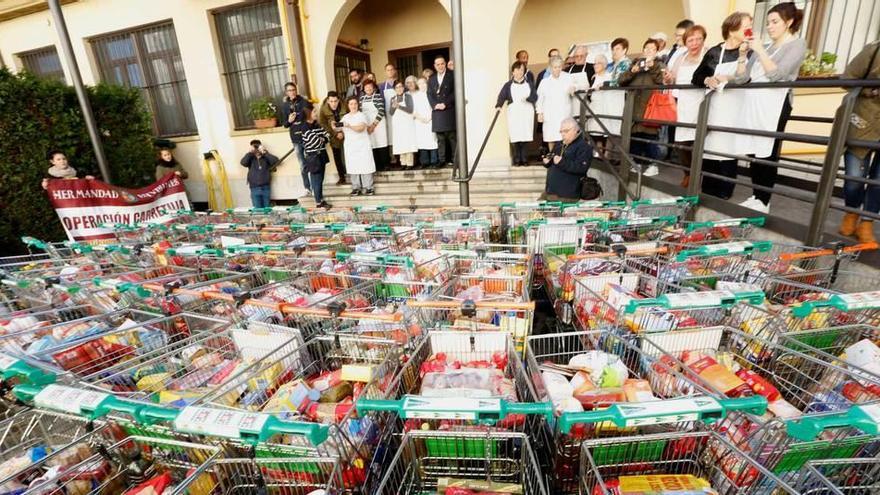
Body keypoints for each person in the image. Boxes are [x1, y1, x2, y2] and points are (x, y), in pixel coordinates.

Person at [734, 2, 807, 214]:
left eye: (775, 22)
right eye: (768, 23)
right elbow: (742, 78)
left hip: (776, 104)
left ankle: (764, 199)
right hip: (756, 104)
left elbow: (779, 75)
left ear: (789, 22)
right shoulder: (763, 47)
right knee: (756, 151)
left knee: (769, 151)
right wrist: (742, 55)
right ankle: (757, 195)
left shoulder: (797, 44)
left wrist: (759, 50)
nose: (770, 27)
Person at [693, 11, 753, 199]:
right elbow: (696, 76)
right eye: (746, 26)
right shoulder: (714, 52)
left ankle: (725, 193)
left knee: (729, 151)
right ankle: (707, 191)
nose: (750, 30)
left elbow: (747, 78)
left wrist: (727, 78)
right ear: (732, 28)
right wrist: (707, 79)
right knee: (709, 149)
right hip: (715, 107)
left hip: (735, 108)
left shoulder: (750, 52)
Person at [839, 40, 880, 243]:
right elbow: (847, 79)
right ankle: (851, 212)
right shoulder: (874, 50)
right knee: (854, 177)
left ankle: (866, 222)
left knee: (879, 181)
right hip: (863, 121)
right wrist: (871, 90)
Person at [665, 24, 707, 188]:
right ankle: (688, 173)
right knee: (682, 143)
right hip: (683, 104)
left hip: (703, 103)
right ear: (685, 42)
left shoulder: (708, 55)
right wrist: (668, 78)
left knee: (698, 144)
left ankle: (699, 176)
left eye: (698, 39)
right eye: (691, 40)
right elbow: (671, 79)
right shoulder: (680, 57)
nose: (695, 43)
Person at [618, 39, 666, 177]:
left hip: (650, 106)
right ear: (643, 50)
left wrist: (652, 68)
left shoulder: (659, 65)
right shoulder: (635, 64)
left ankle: (653, 164)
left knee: (650, 136)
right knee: (635, 136)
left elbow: (660, 82)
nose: (649, 51)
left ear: (657, 52)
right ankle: (637, 163)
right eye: (647, 48)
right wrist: (632, 72)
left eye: (652, 49)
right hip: (634, 107)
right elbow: (621, 81)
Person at [496, 61, 537, 167]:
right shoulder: (508, 85)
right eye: (517, 70)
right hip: (514, 112)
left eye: (522, 70)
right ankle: (517, 158)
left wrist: (528, 98)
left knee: (525, 136)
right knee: (515, 136)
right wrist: (498, 106)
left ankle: (524, 158)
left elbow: (535, 96)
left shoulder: (529, 84)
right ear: (513, 71)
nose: (519, 72)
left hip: (526, 112)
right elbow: (502, 96)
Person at [540, 117, 592, 201]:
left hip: (566, 195)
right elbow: (551, 160)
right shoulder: (559, 144)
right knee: (535, 213)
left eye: (566, 131)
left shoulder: (584, 147)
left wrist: (562, 162)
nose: (563, 134)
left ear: (576, 130)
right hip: (550, 191)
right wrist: (547, 162)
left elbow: (581, 168)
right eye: (561, 131)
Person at [280, 82, 314, 196]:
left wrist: (308, 123)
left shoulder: (304, 102)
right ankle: (307, 188)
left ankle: (315, 185)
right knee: (302, 164)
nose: (292, 92)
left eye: (293, 89)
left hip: (307, 136)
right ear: (286, 92)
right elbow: (285, 124)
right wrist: (289, 121)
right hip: (295, 138)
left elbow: (312, 116)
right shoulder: (285, 106)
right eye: (289, 90)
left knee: (312, 161)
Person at [537, 56, 575, 150]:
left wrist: (574, 88)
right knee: (551, 136)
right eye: (555, 67)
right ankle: (552, 156)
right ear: (550, 68)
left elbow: (575, 86)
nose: (557, 69)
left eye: (559, 67)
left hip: (564, 112)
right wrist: (539, 112)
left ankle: (564, 158)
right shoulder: (544, 82)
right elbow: (540, 99)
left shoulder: (568, 77)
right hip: (550, 113)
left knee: (565, 136)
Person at [341, 96, 377, 196]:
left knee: (365, 165)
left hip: (362, 145)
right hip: (350, 146)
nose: (353, 106)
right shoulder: (345, 117)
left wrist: (349, 126)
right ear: (348, 105)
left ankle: (369, 187)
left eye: (355, 104)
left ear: (358, 105)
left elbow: (361, 128)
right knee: (353, 166)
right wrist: (334, 126)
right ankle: (356, 187)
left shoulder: (362, 115)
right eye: (351, 104)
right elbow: (339, 130)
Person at [301, 108, 333, 209]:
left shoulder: (317, 125)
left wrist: (322, 139)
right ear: (308, 114)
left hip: (321, 155)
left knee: (320, 179)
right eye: (313, 111)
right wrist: (322, 139)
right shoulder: (305, 127)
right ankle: (318, 202)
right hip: (313, 157)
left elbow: (328, 135)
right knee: (316, 180)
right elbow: (315, 142)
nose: (315, 113)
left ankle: (321, 199)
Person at [428, 55, 456, 168]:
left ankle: (455, 159)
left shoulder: (453, 75)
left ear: (445, 64)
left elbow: (456, 91)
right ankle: (442, 160)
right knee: (440, 138)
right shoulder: (432, 78)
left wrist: (445, 103)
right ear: (435, 66)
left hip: (449, 109)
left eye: (442, 64)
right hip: (437, 111)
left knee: (452, 137)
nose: (440, 66)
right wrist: (435, 105)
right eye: (437, 64)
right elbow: (429, 94)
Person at [586, 54, 615, 157]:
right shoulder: (593, 77)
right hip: (595, 107)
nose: (595, 65)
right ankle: (598, 154)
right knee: (596, 132)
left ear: (604, 65)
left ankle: (607, 154)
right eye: (595, 63)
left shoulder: (609, 76)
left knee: (606, 132)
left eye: (598, 63)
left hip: (606, 108)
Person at [318, 91, 348, 186]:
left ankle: (353, 173)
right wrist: (335, 133)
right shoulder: (323, 109)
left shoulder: (345, 106)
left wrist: (343, 132)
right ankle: (341, 177)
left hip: (347, 133)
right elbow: (323, 124)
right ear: (328, 101)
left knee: (349, 154)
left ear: (338, 100)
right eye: (331, 101)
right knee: (337, 156)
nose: (334, 103)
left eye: (335, 101)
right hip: (333, 135)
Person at [359, 80, 390, 171]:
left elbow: (381, 111)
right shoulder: (362, 99)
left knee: (381, 143)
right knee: (372, 144)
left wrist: (373, 125)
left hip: (378, 124)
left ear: (374, 88)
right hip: (367, 125)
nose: (368, 88)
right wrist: (366, 126)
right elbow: (360, 113)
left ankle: (385, 165)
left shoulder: (377, 97)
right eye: (366, 87)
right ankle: (377, 166)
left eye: (370, 86)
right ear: (364, 89)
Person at [239, 140, 279, 208]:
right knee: (257, 210)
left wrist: (264, 152)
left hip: (266, 187)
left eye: (257, 146)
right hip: (254, 188)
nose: (256, 148)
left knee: (267, 209)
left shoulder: (265, 157)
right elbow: (243, 163)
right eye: (254, 146)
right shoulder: (250, 158)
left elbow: (276, 161)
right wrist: (250, 153)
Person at [390, 79, 417, 168]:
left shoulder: (408, 97)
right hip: (398, 124)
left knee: (408, 142)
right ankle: (403, 163)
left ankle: (409, 163)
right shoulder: (393, 98)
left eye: (400, 86)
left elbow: (410, 110)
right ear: (394, 89)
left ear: (403, 87)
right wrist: (394, 107)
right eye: (397, 87)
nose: (399, 89)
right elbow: (391, 112)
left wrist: (399, 106)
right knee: (400, 142)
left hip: (407, 123)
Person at [413, 77, 439, 168]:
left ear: (427, 84)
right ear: (417, 85)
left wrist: (429, 118)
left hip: (430, 120)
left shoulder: (432, 94)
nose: (422, 85)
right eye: (419, 84)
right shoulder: (415, 96)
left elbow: (434, 107)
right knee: (422, 141)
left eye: (423, 83)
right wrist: (420, 118)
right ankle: (424, 162)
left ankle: (434, 161)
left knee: (432, 140)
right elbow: (413, 110)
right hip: (419, 121)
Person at [565, 45, 595, 118]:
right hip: (570, 105)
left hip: (586, 105)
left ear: (586, 55)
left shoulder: (592, 68)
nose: (579, 58)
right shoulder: (566, 70)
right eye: (576, 56)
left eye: (581, 56)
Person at [381, 63, 399, 166]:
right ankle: (393, 158)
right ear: (385, 72)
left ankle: (400, 158)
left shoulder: (399, 83)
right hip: (387, 115)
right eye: (388, 70)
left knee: (398, 134)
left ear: (395, 71)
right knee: (390, 136)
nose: (390, 71)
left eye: (392, 69)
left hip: (399, 114)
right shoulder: (382, 86)